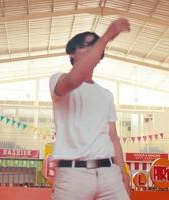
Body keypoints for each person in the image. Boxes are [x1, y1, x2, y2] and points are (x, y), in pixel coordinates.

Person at [49, 18, 131, 200]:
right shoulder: (58, 79)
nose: (92, 49)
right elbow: (73, 80)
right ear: (71, 53)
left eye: (95, 47)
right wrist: (107, 36)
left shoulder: (106, 94)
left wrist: (123, 173)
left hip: (110, 174)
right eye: (86, 45)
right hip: (73, 176)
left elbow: (113, 137)